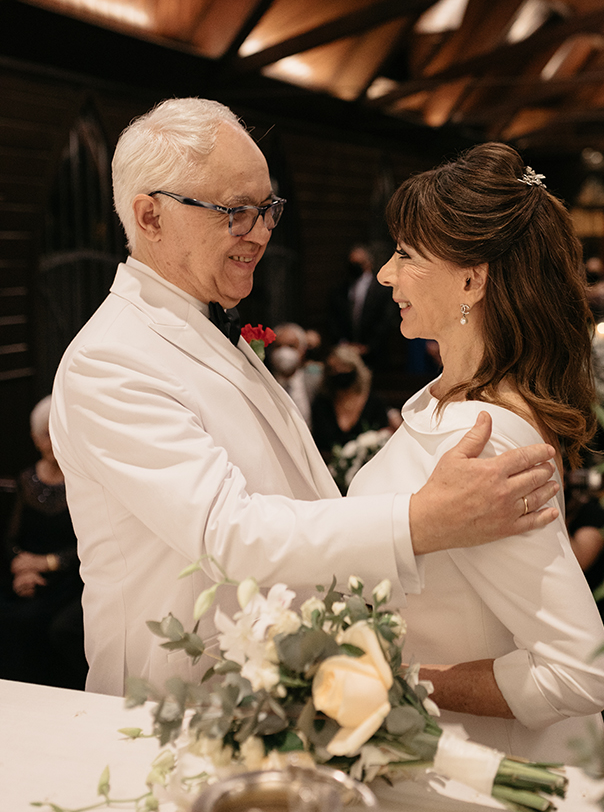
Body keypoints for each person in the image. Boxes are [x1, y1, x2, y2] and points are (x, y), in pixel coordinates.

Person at [50, 99, 559, 698]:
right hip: (179, 701)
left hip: (273, 691)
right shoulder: (110, 360)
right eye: (237, 212)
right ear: (151, 216)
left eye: (268, 209)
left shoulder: (205, 322)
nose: (262, 233)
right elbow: (230, 534)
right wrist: (420, 519)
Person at [348, 143, 604, 762]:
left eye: (407, 255)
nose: (386, 273)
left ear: (472, 277)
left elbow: (578, 673)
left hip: (484, 758)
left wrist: (402, 682)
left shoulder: (489, 435)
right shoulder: (449, 399)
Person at [0, 396, 86, 688]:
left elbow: (87, 543)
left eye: (56, 432)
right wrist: (20, 566)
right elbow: (11, 537)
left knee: (46, 625)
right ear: (35, 439)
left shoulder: (81, 480)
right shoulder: (26, 480)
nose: (51, 441)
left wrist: (47, 563)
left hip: (69, 578)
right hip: (28, 576)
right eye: (45, 434)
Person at [311, 344, 393, 489]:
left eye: (344, 367)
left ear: (356, 369)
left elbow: (384, 439)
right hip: (329, 479)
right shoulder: (322, 404)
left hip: (371, 478)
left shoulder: (375, 402)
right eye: (333, 369)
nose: (339, 373)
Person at [327, 244, 399, 369]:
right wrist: (344, 343)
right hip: (346, 353)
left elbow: (386, 320)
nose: (354, 265)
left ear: (368, 263)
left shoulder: (382, 289)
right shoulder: (340, 289)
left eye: (358, 262)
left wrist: (368, 346)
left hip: (375, 355)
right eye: (352, 262)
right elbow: (333, 319)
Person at [267, 322, 322, 428]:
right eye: (278, 346)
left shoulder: (316, 381)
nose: (284, 351)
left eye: (291, 346)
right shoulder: (263, 383)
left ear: (302, 350)